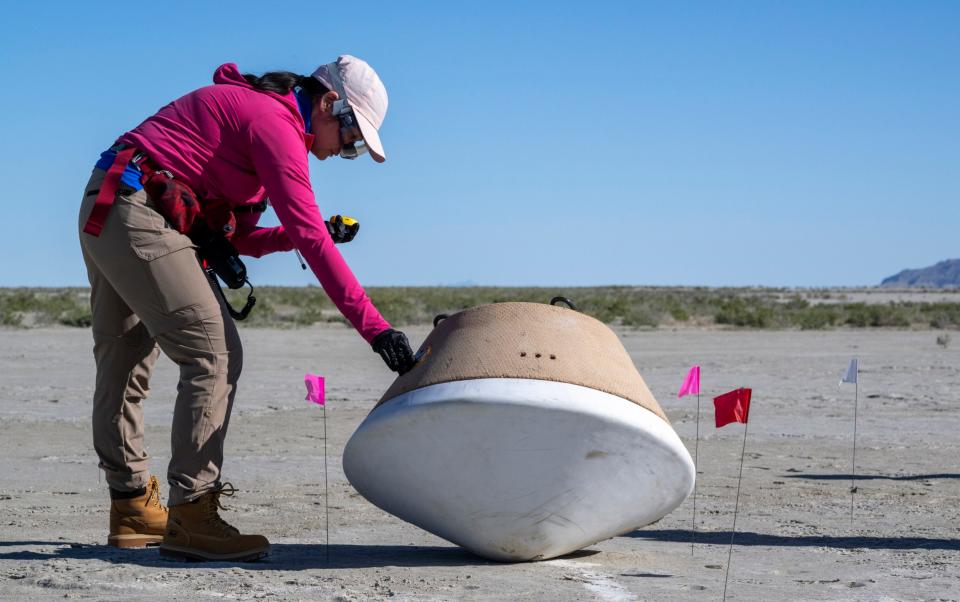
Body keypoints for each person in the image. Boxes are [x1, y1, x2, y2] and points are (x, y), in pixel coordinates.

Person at [77, 55, 415, 562]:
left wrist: (311, 234)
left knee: (125, 363)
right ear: (328, 103)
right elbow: (309, 238)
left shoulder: (262, 119)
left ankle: (130, 507)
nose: (341, 152)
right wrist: (376, 329)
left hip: (107, 203)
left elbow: (250, 238)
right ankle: (192, 513)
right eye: (349, 140)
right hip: (137, 209)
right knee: (215, 355)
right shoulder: (274, 123)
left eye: (353, 150)